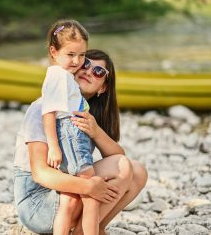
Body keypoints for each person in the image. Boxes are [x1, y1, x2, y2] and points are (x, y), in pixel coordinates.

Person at [14, 48, 148, 234]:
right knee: (122, 166)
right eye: (86, 64)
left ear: (103, 87)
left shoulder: (85, 113)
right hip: (38, 204)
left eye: (98, 71)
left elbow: (118, 158)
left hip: (66, 194)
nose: (88, 71)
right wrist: (89, 186)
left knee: (137, 171)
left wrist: (96, 131)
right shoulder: (44, 109)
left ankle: (91, 227)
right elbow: (40, 174)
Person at [41, 19, 101, 234]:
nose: (77, 61)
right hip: (70, 135)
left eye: (82, 55)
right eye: (70, 55)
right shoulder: (59, 76)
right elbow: (48, 112)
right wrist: (53, 146)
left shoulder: (62, 75)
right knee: (91, 193)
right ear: (53, 52)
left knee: (71, 197)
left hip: (73, 135)